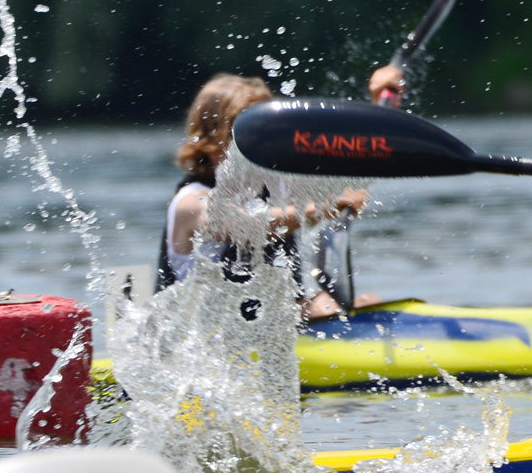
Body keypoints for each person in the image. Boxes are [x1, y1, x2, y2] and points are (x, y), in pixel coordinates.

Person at [158, 72, 389, 320]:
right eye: (248, 139)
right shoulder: (191, 202)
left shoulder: (276, 186)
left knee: (369, 303)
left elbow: (351, 167)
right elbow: (247, 225)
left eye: (267, 137)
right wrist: (320, 208)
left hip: (276, 322)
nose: (262, 149)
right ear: (212, 143)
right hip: (211, 338)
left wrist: (381, 107)